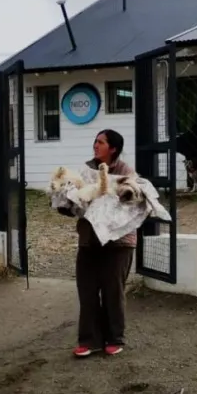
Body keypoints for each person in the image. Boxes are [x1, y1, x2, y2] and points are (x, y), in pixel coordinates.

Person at [73, 129, 136, 358]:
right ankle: (89, 340)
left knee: (112, 291)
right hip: (89, 240)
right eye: (95, 141)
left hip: (118, 242)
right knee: (87, 290)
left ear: (113, 149)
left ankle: (114, 337)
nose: (95, 145)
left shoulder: (125, 171)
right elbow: (77, 199)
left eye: (100, 142)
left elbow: (131, 199)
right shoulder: (86, 170)